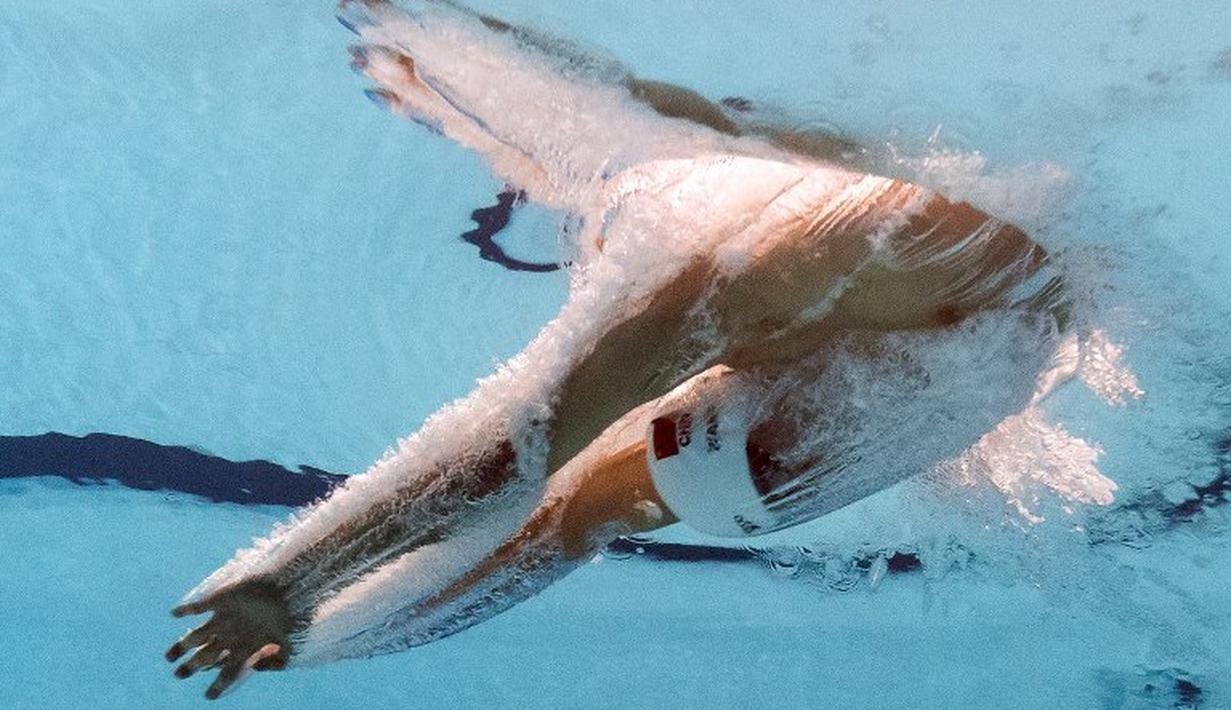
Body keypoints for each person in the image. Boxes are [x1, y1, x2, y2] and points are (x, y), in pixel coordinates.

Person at [165, 0, 1068, 699]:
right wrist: (309, 612)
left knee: (587, 487)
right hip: (963, 313)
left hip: (942, 314)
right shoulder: (759, 273)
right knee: (588, 483)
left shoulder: (733, 267)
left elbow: (510, 470)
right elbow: (532, 496)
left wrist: (300, 593)